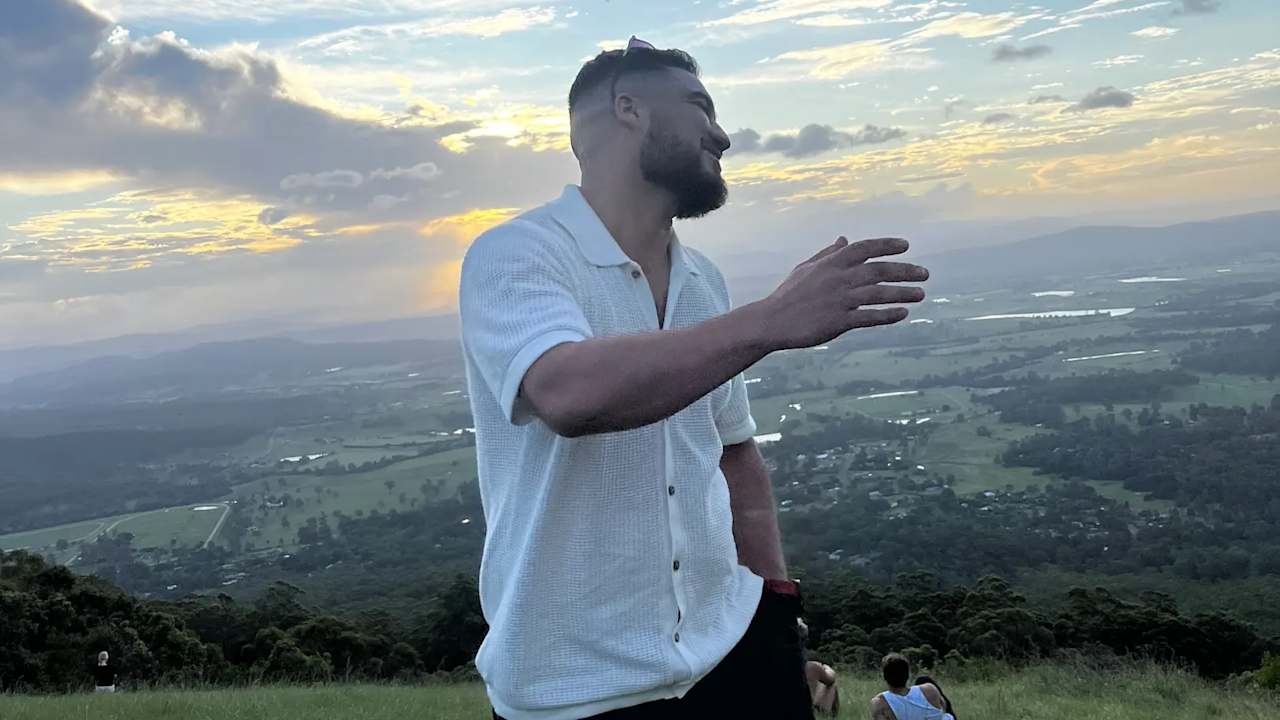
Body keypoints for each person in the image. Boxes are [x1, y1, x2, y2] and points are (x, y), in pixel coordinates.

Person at [459, 35, 929, 720]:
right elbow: (567, 392)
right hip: (573, 685)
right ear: (628, 109)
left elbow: (734, 452)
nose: (722, 135)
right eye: (700, 107)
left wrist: (778, 619)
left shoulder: (703, 281)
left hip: (736, 647)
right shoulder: (517, 253)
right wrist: (771, 319)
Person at [870, 655, 951, 720]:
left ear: (884, 677)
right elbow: (944, 707)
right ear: (908, 675)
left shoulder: (880, 703)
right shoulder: (930, 689)